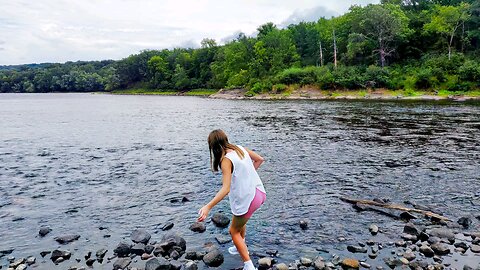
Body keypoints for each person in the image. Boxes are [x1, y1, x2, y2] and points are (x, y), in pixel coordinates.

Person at [198, 129, 266, 270]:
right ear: (225, 139)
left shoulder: (226, 160)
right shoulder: (240, 149)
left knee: (233, 231)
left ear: (213, 146)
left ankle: (249, 265)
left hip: (248, 199)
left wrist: (208, 206)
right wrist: (246, 176)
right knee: (239, 220)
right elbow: (260, 159)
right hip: (259, 193)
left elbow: (225, 189)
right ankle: (239, 245)